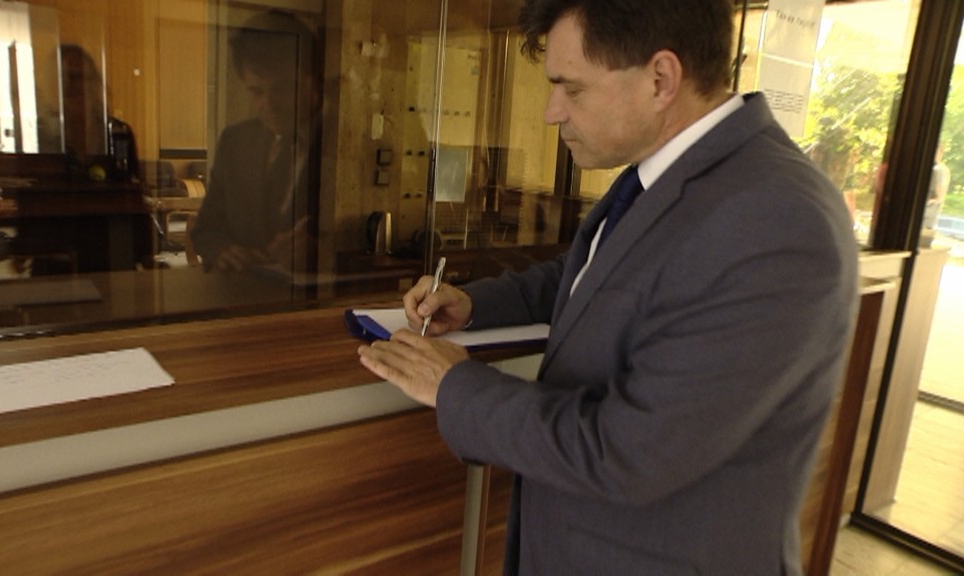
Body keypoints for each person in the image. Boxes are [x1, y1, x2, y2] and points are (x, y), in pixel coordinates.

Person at [356, 1, 859, 574]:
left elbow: (630, 453)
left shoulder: (778, 221)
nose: (552, 113)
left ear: (661, 79)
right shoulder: (664, 173)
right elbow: (595, 274)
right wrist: (475, 305)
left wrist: (453, 386)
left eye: (571, 89)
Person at [190, 12, 316, 272]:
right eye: (256, 91)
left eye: (282, 89)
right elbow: (204, 230)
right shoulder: (235, 141)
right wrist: (223, 250)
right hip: (240, 288)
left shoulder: (342, 144)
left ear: (312, 79)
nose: (269, 105)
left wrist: (320, 248)